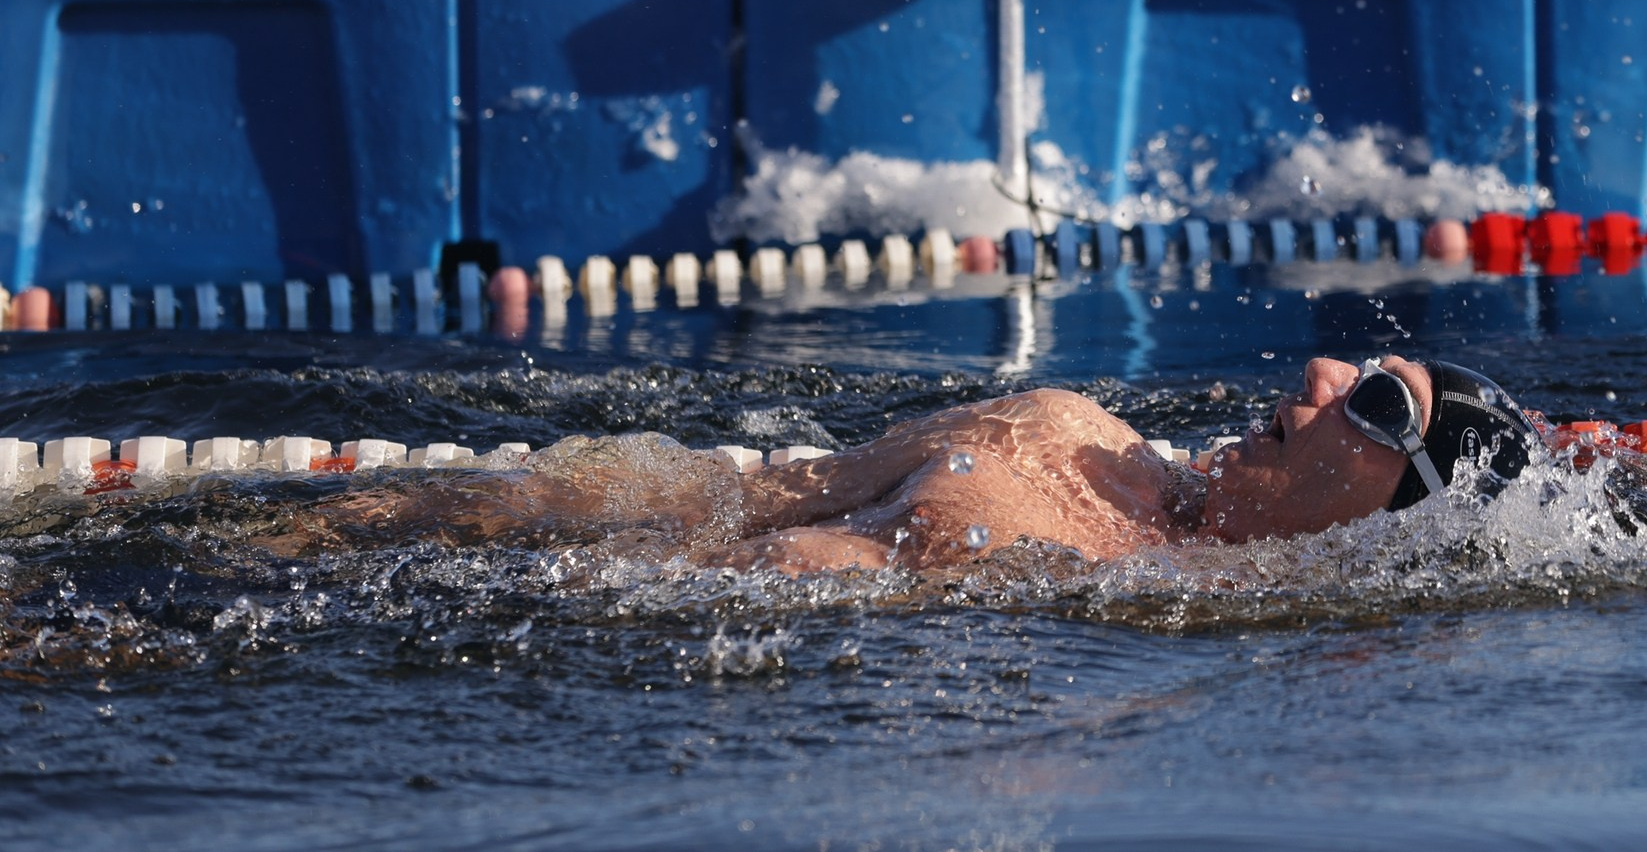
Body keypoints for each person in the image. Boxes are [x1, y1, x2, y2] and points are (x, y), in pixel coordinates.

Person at [273, 356, 1537, 575]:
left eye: (1374, 404)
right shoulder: (1066, 424)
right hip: (535, 565)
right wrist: (335, 523)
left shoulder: (1207, 611)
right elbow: (726, 495)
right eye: (1362, 366)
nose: (1322, 380)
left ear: (1394, 515)